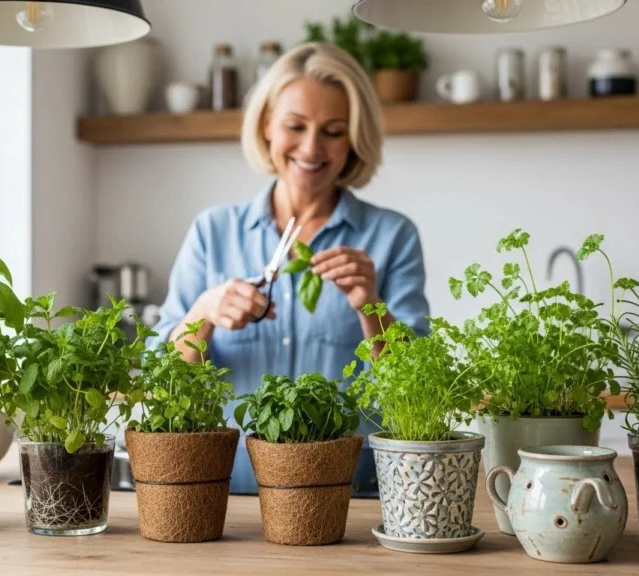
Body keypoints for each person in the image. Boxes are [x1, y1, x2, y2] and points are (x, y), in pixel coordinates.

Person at [145, 42, 430, 495]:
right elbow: (160, 378)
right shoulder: (213, 232)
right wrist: (203, 312)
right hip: (230, 498)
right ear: (265, 126)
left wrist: (371, 308)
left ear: (355, 137)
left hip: (350, 499)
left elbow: (420, 391)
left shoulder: (392, 237)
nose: (311, 148)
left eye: (333, 131)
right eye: (295, 126)